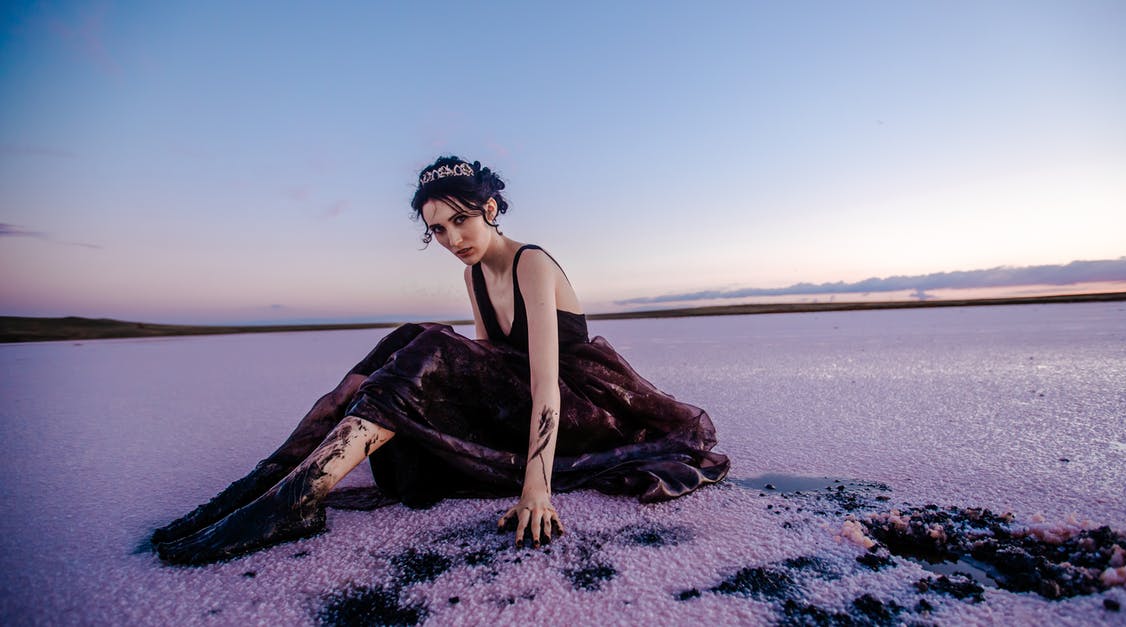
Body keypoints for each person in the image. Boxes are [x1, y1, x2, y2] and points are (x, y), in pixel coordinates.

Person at [153, 156, 730, 565]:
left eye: (462, 220)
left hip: (582, 409)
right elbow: (486, 359)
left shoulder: (532, 264)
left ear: (491, 207)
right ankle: (276, 485)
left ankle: (299, 496)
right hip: (516, 397)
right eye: (438, 229)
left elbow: (546, 384)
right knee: (413, 337)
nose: (453, 238)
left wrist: (537, 489)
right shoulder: (473, 274)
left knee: (429, 344)